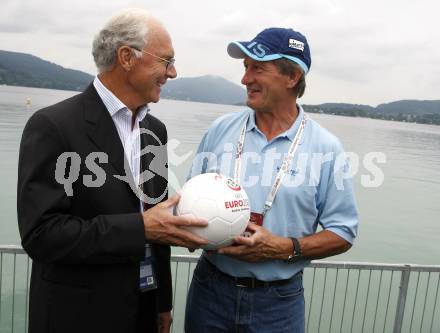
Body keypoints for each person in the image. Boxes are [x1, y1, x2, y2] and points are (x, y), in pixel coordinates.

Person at [17, 8, 208, 333]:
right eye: (166, 60)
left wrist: (163, 301)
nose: (173, 72)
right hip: (77, 316)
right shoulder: (52, 126)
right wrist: (139, 228)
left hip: (145, 311)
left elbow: (156, 219)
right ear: (126, 57)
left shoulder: (155, 131)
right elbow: (41, 235)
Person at [184, 28, 359, 333]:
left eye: (258, 68)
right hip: (209, 290)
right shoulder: (219, 130)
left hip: (279, 302)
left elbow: (343, 233)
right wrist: (191, 228)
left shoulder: (326, 147)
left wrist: (284, 247)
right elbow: (186, 202)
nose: (245, 79)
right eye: (245, 67)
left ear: (292, 77)